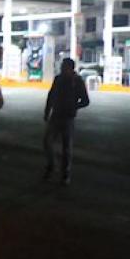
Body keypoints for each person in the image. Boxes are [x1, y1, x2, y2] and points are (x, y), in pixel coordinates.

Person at [43, 57, 90, 185]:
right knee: (47, 142)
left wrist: (74, 106)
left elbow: (85, 100)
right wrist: (47, 111)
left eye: (64, 66)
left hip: (68, 118)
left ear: (70, 68)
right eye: (61, 66)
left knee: (66, 147)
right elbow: (51, 95)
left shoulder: (77, 81)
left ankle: (65, 174)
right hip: (56, 115)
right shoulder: (58, 79)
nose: (61, 68)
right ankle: (52, 166)